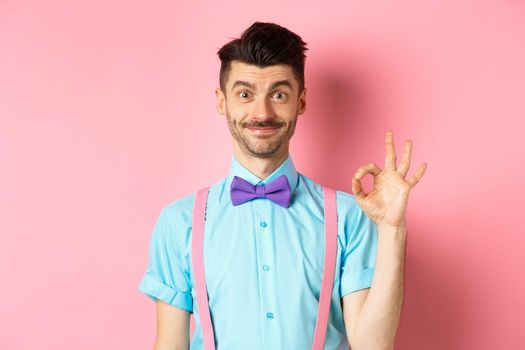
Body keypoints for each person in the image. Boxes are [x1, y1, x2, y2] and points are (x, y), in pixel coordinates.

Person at [138, 21, 427, 350]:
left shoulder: (349, 216)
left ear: (301, 102)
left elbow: (372, 346)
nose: (261, 112)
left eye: (278, 94)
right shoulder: (179, 223)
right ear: (222, 102)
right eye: (245, 94)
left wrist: (392, 229)